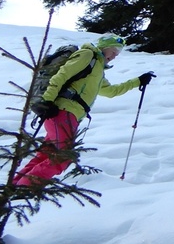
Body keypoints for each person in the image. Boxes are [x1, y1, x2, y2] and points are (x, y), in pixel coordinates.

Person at [15, 34, 154, 187]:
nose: (114, 56)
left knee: (45, 156)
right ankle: (24, 188)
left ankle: (13, 187)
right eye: (113, 51)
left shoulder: (98, 70)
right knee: (63, 156)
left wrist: (138, 81)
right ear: (105, 47)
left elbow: (111, 91)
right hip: (61, 111)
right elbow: (61, 76)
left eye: (117, 53)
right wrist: (47, 101)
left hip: (68, 115)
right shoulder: (88, 55)